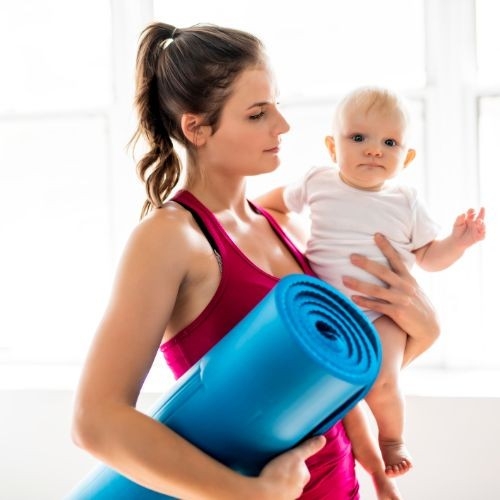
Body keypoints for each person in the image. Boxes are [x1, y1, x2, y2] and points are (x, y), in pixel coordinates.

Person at [71, 24, 441, 500]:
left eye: (277, 106)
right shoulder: (170, 239)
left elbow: (318, 380)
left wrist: (424, 333)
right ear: (196, 128)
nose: (282, 126)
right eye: (257, 114)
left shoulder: (286, 225)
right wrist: (246, 494)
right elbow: (95, 421)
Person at [256, 85, 486, 478]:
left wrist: (458, 243)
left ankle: (392, 439)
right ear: (332, 147)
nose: (374, 150)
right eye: (358, 138)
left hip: (382, 313)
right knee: (316, 378)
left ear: (406, 158)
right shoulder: (317, 182)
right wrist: (256, 216)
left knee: (383, 383)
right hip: (325, 308)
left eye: (390, 142)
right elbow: (274, 203)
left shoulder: (406, 201)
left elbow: (429, 258)